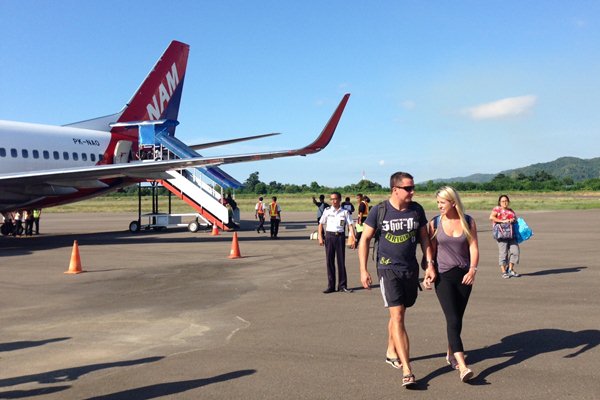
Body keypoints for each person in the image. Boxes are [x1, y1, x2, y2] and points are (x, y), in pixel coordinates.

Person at [358, 172, 435, 388]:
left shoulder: (416, 209)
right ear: (395, 189)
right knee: (398, 315)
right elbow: (364, 239)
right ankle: (407, 369)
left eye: (413, 188)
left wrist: (429, 263)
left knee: (400, 312)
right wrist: (363, 270)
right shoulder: (379, 210)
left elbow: (424, 238)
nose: (412, 192)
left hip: (409, 269)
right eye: (408, 188)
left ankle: (391, 350)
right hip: (387, 268)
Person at [427, 186, 479, 383]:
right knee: (452, 318)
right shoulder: (435, 223)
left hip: (464, 276)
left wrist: (473, 269)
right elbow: (430, 249)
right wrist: (429, 269)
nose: (439, 205)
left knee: (458, 317)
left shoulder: (468, 221)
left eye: (442, 202)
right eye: (438, 202)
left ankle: (450, 353)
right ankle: (462, 366)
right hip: (444, 276)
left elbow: (473, 246)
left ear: (453, 202)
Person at [318, 192, 356, 294]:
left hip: (340, 237)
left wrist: (352, 238)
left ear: (339, 199)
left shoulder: (345, 212)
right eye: (331, 199)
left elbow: (350, 226)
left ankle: (342, 285)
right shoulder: (327, 211)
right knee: (329, 262)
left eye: (335, 199)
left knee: (341, 262)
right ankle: (331, 286)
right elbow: (321, 224)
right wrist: (320, 237)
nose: (333, 201)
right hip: (329, 237)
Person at [489, 194, 520, 278]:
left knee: (515, 251)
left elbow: (515, 220)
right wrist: (503, 221)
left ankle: (510, 269)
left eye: (506, 201)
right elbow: (491, 217)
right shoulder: (497, 209)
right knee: (503, 253)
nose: (505, 203)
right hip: (501, 234)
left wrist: (513, 220)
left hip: (511, 234)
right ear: (499, 202)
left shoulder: (511, 210)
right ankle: (503, 271)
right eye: (503, 201)